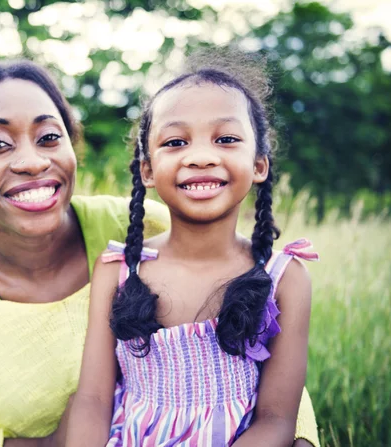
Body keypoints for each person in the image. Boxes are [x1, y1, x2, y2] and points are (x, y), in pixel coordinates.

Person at [0, 59, 318, 447]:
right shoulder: (120, 264)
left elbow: (275, 387)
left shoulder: (146, 226)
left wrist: (298, 436)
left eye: (48, 137)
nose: (30, 161)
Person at [67, 48, 320, 447]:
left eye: (226, 139)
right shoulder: (118, 270)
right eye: (175, 142)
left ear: (259, 164)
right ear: (147, 169)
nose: (201, 157)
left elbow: (276, 420)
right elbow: (93, 401)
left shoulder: (284, 278)